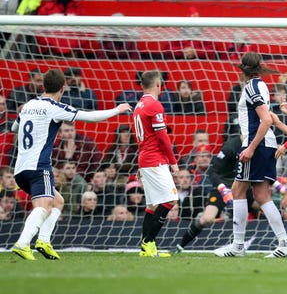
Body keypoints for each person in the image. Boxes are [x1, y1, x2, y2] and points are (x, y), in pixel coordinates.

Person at [10, 69, 130, 260]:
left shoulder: (28, 105)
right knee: (44, 206)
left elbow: (14, 128)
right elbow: (90, 117)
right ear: (63, 88)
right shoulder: (54, 107)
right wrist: (118, 110)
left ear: (43, 86)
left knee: (58, 201)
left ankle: (44, 241)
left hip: (20, 168)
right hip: (39, 167)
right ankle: (22, 244)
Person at [213, 52, 287, 258]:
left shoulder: (251, 87)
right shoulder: (260, 85)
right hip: (264, 145)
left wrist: (250, 147)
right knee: (261, 195)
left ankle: (238, 245)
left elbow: (266, 120)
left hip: (256, 146)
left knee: (238, 191)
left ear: (243, 69)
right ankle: (284, 243)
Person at [132, 70, 179, 258]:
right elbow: (162, 137)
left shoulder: (139, 105)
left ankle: (146, 249)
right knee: (170, 199)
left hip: (146, 158)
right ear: (158, 84)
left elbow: (144, 138)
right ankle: (148, 242)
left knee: (152, 205)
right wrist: (173, 161)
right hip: (154, 159)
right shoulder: (154, 105)